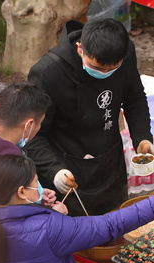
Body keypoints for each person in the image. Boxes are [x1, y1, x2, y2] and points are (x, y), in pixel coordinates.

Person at [26, 18, 154, 216]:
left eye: (113, 69)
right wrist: (55, 171)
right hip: (69, 167)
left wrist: (142, 137)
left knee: (116, 221)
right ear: (80, 49)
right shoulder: (48, 73)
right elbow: (33, 135)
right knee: (78, 235)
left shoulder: (124, 52)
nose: (106, 74)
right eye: (98, 68)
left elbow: (134, 98)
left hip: (109, 160)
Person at [0, 154, 154, 263]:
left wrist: (40, 210)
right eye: (36, 183)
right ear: (22, 192)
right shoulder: (48, 228)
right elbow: (109, 225)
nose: (40, 188)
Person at [0, 82, 60, 210]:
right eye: (40, 123)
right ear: (29, 125)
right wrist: (52, 214)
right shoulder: (9, 162)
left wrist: (34, 193)